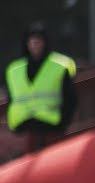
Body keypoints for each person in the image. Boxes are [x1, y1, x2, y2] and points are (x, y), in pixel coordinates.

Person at [4, 24, 77, 154]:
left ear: (45, 43)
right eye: (32, 41)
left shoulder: (59, 67)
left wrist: (63, 122)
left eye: (38, 41)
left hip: (50, 126)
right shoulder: (14, 69)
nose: (35, 45)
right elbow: (11, 98)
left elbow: (70, 98)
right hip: (22, 128)